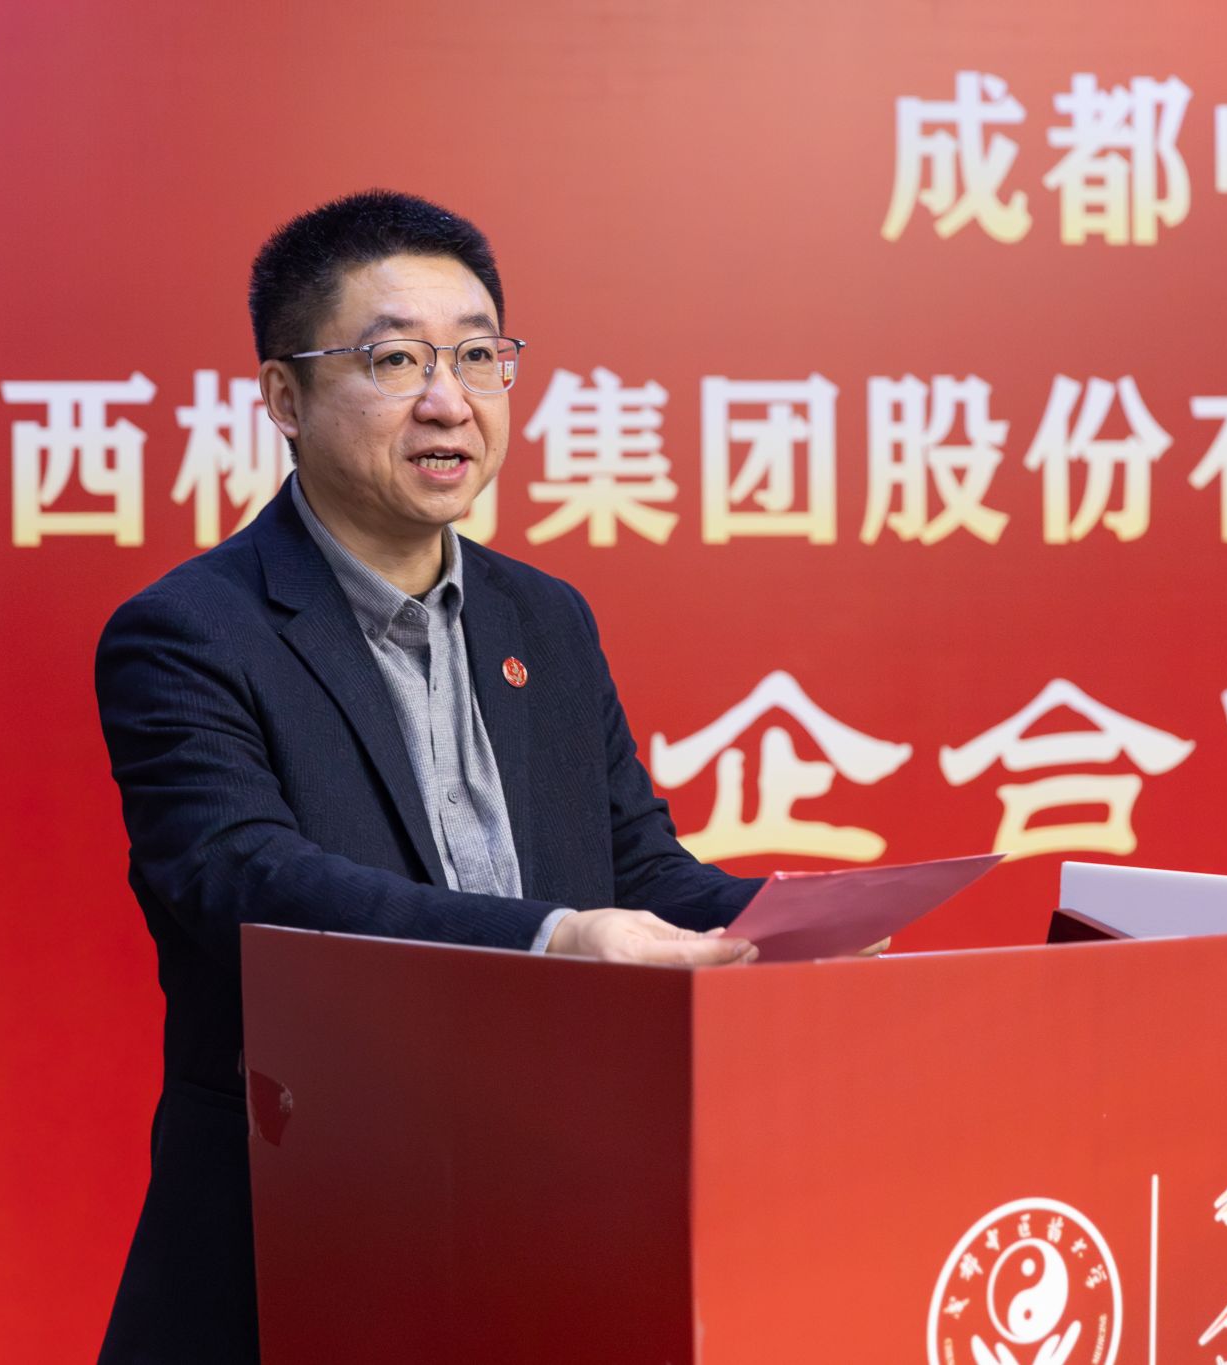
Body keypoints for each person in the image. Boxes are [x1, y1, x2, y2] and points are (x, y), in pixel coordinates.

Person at [91, 190, 761, 1364]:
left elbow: (638, 866)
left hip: (553, 1226)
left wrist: (786, 925)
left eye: (478, 355)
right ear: (284, 399)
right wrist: (551, 941)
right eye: (394, 359)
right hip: (303, 1238)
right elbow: (250, 884)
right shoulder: (188, 634)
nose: (449, 400)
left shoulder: (544, 619)